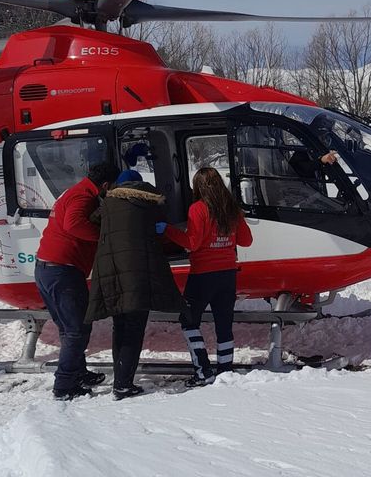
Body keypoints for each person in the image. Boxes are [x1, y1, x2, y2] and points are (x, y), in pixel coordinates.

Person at [85, 170, 187, 400]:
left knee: (119, 326)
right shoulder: (150, 204)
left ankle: (120, 378)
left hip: (112, 272)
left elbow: (92, 220)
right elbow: (162, 230)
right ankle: (123, 384)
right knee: (133, 328)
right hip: (139, 274)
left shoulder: (108, 204)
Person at [159, 167, 253, 387]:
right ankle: (225, 371)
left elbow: (192, 243)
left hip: (202, 275)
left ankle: (203, 370)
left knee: (189, 321)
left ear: (198, 187)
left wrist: (168, 230)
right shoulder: (232, 210)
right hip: (228, 274)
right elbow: (246, 241)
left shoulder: (198, 209)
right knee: (224, 324)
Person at [35, 162, 120, 401]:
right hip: (62, 271)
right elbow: (72, 224)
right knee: (77, 330)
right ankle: (64, 386)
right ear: (105, 185)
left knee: (68, 329)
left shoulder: (77, 191)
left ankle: (78, 372)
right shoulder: (83, 196)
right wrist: (102, 237)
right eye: (112, 187)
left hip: (50, 269)